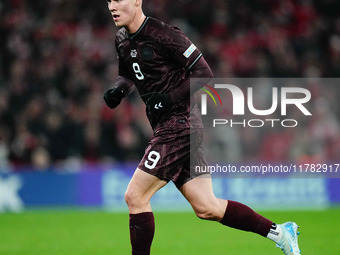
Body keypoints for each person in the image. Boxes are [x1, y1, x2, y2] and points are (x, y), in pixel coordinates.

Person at [103, 0, 301, 254]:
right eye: (109, 0)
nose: (111, 6)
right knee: (207, 207)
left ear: (137, 1)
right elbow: (129, 73)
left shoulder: (165, 35)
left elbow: (203, 72)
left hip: (179, 125)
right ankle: (282, 233)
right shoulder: (121, 39)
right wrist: (118, 91)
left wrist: (169, 98)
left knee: (135, 196)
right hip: (171, 126)